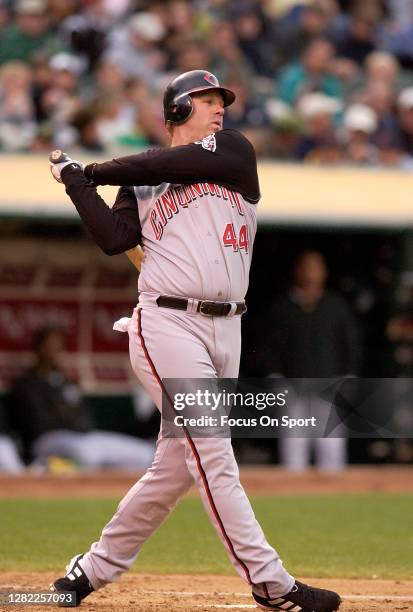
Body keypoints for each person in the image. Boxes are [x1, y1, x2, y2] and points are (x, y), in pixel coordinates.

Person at [48, 70, 341, 611]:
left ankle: (88, 571)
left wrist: (95, 168)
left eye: (220, 100)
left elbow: (164, 162)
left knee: (175, 467)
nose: (218, 108)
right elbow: (116, 240)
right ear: (178, 111)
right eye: (205, 101)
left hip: (228, 326)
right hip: (167, 323)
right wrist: (76, 184)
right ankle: (273, 585)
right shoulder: (141, 182)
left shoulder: (232, 152)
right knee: (212, 452)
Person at [267, 251, 361, 471]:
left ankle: (334, 502)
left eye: (316, 267)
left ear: (324, 272)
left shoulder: (335, 307)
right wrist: (275, 377)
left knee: (332, 452)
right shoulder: (282, 309)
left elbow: (351, 345)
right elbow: (268, 349)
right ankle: (292, 499)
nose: (311, 273)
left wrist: (348, 377)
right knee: (293, 451)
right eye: (307, 267)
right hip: (293, 391)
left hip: (328, 391)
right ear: (297, 271)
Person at [10, 326, 155, 470]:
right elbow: (39, 423)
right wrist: (66, 412)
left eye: (58, 347)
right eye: (50, 347)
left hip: (83, 437)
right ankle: (46, 469)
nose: (55, 352)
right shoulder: (28, 384)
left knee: (145, 454)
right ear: (39, 349)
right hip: (47, 440)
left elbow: (83, 416)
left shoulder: (65, 381)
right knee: (88, 454)